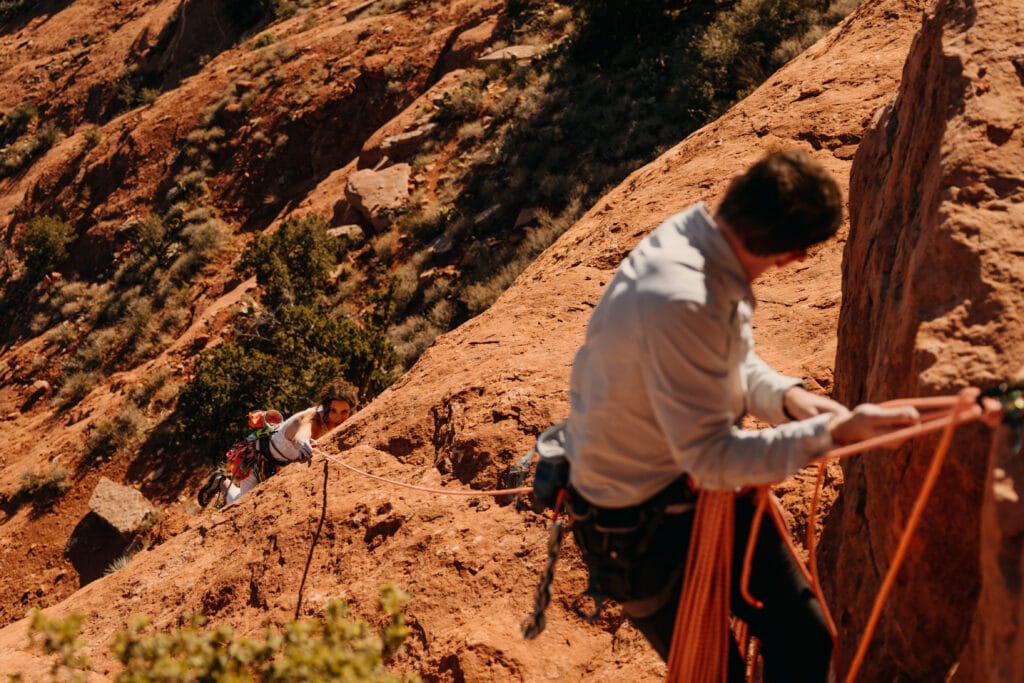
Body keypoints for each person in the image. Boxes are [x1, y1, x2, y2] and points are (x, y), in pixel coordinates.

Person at [562, 149, 921, 682]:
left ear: (735, 187)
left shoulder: (696, 244)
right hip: (638, 529)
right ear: (796, 255)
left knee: (804, 639)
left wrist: (787, 399)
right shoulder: (686, 295)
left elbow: (728, 357)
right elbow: (711, 458)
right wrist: (829, 433)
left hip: (684, 491)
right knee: (712, 672)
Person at [199, 382, 357, 506]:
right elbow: (302, 434)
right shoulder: (313, 419)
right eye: (334, 411)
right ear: (327, 408)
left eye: (345, 412)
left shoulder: (332, 421)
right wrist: (303, 443)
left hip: (279, 462)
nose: (339, 417)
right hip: (259, 457)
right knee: (238, 503)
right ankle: (221, 481)